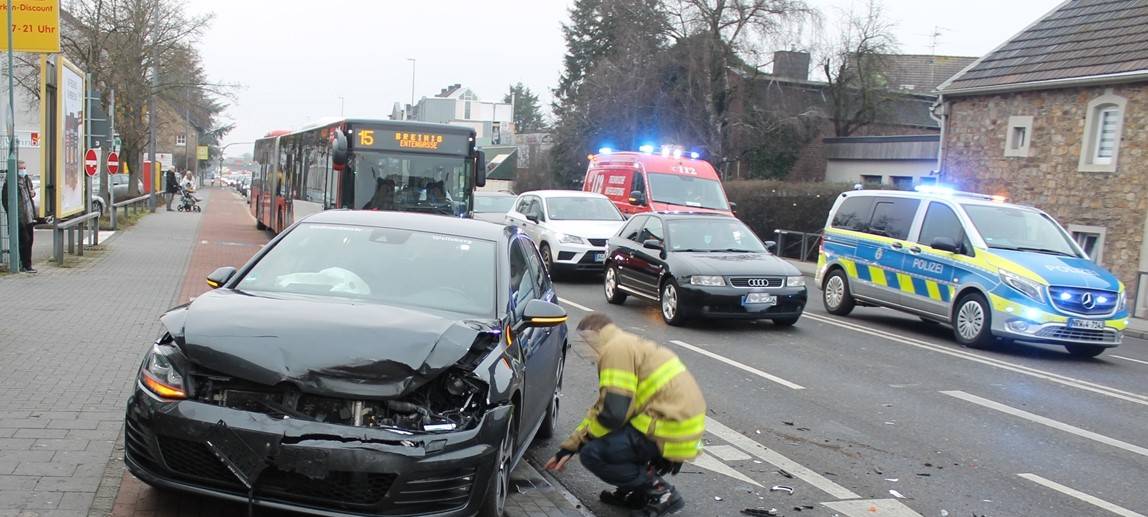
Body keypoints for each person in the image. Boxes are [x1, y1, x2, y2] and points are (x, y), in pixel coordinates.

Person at [546, 313, 706, 516]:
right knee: (616, 436)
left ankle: (661, 493)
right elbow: (602, 408)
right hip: (680, 425)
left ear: (594, 335)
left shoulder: (615, 351)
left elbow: (613, 414)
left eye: (585, 343)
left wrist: (582, 444)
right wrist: (569, 447)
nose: (586, 351)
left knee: (594, 453)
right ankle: (636, 494)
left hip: (666, 428)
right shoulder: (628, 343)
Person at [2, 160, 38, 273]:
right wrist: (13, 214)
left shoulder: (27, 180)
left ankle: (27, 264)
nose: (23, 170)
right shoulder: (10, 183)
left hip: (29, 216)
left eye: (24, 168)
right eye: (21, 168)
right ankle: (25, 265)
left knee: (30, 240)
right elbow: (5, 200)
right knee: (24, 241)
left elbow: (31, 192)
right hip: (19, 218)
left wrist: (33, 193)